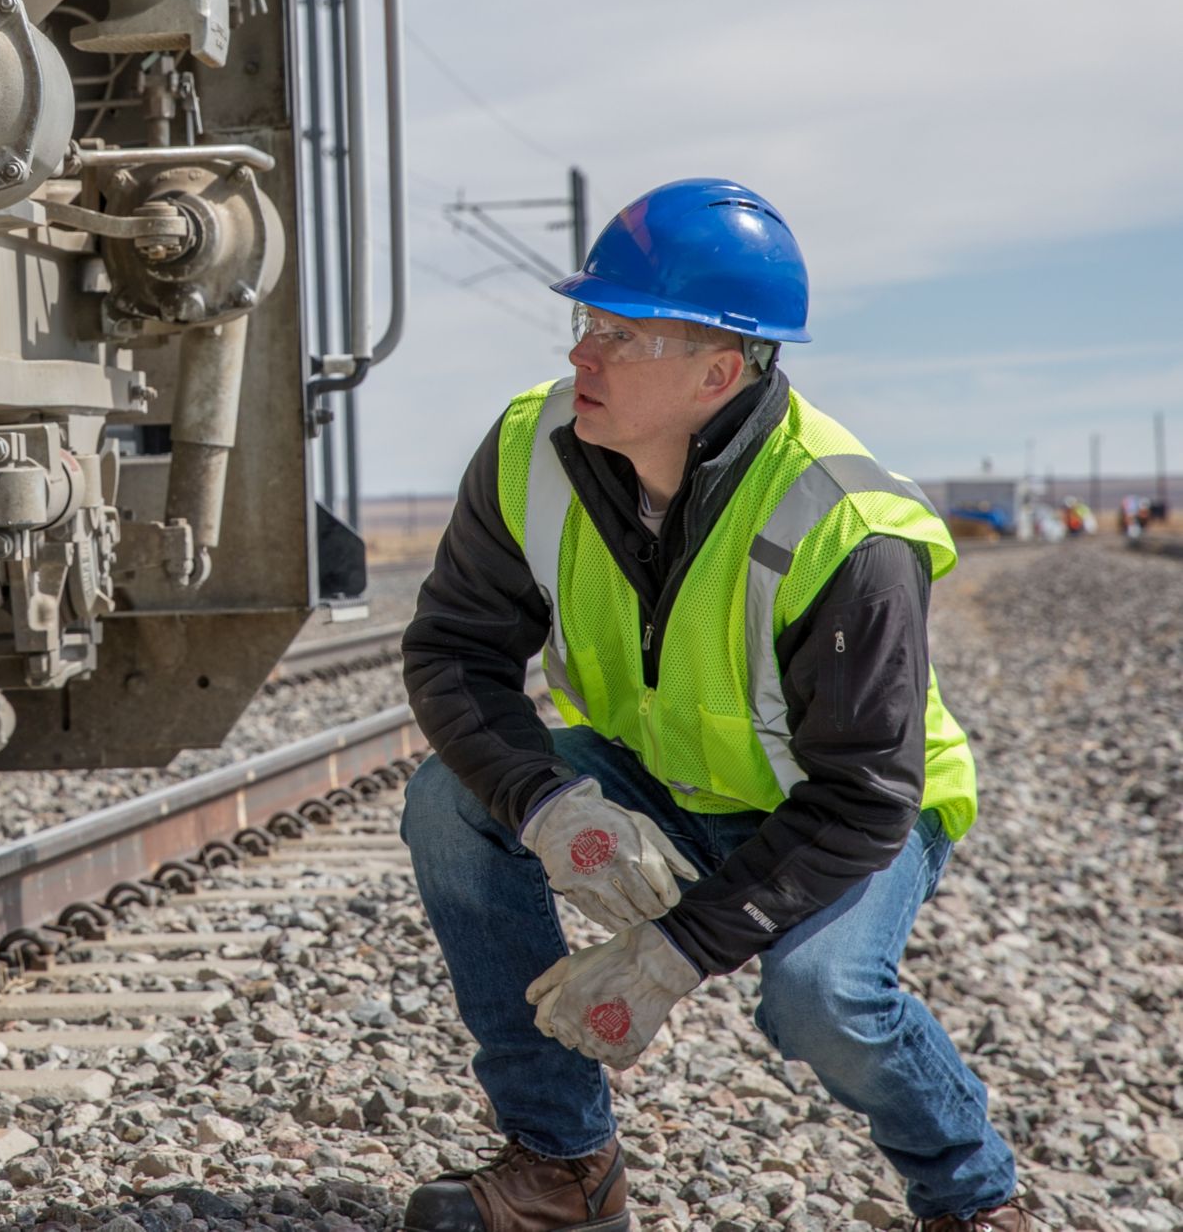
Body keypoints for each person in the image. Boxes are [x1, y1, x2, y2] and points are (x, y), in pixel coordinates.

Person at [395, 179, 1034, 1231]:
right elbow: (456, 651)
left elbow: (863, 795)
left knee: (821, 995)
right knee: (447, 802)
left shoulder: (848, 525)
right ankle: (563, 1166)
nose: (579, 355)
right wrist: (548, 803)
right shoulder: (527, 451)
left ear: (718, 370)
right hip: (666, 774)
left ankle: (971, 1196)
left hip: (840, 805)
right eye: (585, 321)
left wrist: (678, 946)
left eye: (619, 333)